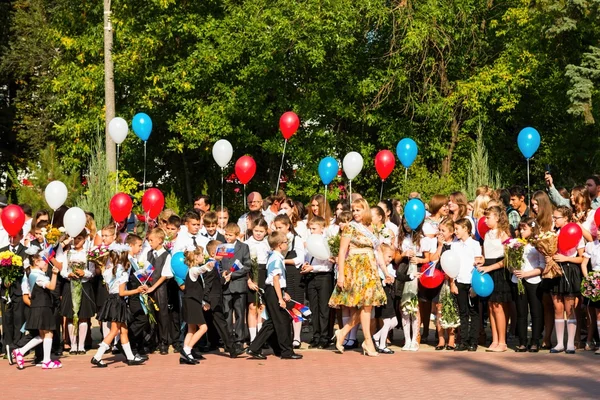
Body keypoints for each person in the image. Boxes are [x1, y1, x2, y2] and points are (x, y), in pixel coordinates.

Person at [329, 198, 392, 357]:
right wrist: (341, 275)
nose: (355, 213)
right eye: (354, 210)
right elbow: (342, 252)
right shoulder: (350, 227)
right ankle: (367, 340)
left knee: (368, 305)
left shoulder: (373, 229)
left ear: (365, 210)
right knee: (364, 305)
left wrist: (385, 272)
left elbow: (378, 252)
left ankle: (344, 332)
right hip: (355, 270)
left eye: (358, 210)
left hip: (370, 270)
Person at [246, 231, 302, 360]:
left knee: (272, 322)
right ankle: (286, 351)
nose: (287, 245)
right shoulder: (276, 258)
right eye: (285, 242)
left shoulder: (275, 257)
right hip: (273, 291)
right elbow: (275, 279)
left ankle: (255, 348)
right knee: (282, 321)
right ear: (279, 245)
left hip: (274, 291)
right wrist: (280, 298)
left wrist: (283, 292)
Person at [91, 248, 146, 367]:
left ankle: (131, 357)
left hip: (111, 300)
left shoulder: (108, 271)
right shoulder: (123, 273)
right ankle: (97, 356)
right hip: (118, 301)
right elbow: (122, 292)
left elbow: (109, 288)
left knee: (124, 330)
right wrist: (137, 290)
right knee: (114, 330)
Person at [11, 253, 61, 370]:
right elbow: (52, 286)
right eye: (43, 260)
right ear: (36, 262)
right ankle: (47, 361)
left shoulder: (29, 275)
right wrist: (54, 274)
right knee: (48, 333)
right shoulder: (38, 276)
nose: (45, 262)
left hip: (37, 306)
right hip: (43, 306)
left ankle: (20, 351)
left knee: (43, 335)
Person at [550, 206, 584, 354]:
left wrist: (566, 258)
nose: (554, 220)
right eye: (554, 217)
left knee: (570, 308)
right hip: (556, 270)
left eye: (557, 217)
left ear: (565, 218)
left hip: (570, 269)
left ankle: (570, 343)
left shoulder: (576, 232)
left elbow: (581, 257)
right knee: (558, 307)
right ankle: (559, 343)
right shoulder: (553, 234)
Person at [477, 206, 511, 352]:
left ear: (497, 218)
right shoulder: (487, 235)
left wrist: (489, 268)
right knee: (490, 307)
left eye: (488, 217)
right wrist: (481, 260)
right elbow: (487, 254)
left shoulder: (503, 234)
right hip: (487, 269)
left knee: (498, 307)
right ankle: (495, 339)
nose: (485, 220)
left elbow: (507, 259)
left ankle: (502, 341)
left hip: (498, 271)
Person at [202, 240, 243, 358]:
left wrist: (224, 279)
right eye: (223, 250)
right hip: (212, 301)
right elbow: (208, 285)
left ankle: (229, 348)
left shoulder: (215, 265)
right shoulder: (210, 266)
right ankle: (232, 349)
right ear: (215, 252)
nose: (226, 253)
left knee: (216, 324)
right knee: (221, 324)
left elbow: (215, 282)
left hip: (214, 299)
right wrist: (206, 300)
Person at [58, 229, 95, 355]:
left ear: (84, 239)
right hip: (70, 285)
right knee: (70, 316)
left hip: (84, 285)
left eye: (79, 238)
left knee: (83, 316)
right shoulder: (67, 253)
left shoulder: (88, 254)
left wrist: (84, 273)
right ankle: (73, 345)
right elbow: (62, 270)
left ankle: (81, 345)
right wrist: (68, 274)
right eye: (75, 238)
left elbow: (92, 271)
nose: (77, 241)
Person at [512, 218, 545, 352]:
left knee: (536, 311)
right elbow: (510, 261)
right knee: (521, 312)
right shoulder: (515, 243)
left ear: (532, 229)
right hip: (518, 279)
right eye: (520, 228)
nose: (521, 231)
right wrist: (513, 268)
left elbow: (542, 265)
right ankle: (522, 341)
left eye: (524, 229)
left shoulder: (537, 244)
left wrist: (527, 274)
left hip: (533, 280)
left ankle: (535, 340)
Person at [273, 214, 306, 348]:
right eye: (276, 227)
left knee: (296, 304)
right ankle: (285, 335)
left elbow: (299, 259)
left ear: (287, 226)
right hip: (281, 275)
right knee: (284, 305)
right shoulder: (275, 240)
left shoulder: (296, 239)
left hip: (293, 274)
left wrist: (283, 260)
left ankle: (297, 336)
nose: (278, 229)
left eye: (280, 227)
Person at [301, 216, 333, 349]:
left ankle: (325, 337)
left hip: (324, 277)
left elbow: (328, 265)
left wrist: (313, 267)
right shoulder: (309, 242)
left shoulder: (327, 242)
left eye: (314, 228)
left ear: (322, 228)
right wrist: (306, 264)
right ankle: (316, 336)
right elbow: (306, 256)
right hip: (311, 277)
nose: (311, 231)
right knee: (313, 307)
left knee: (323, 308)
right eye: (310, 229)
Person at [451, 218, 482, 351]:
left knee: (474, 311)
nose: (455, 231)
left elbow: (478, 264)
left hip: (471, 281)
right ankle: (463, 340)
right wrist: (452, 282)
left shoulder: (475, 245)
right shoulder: (454, 245)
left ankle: (473, 340)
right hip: (459, 280)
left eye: (457, 229)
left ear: (466, 229)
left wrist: (475, 285)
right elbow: (451, 264)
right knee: (463, 312)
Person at [179, 246, 214, 364]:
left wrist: (203, 302)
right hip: (191, 302)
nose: (203, 257)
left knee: (191, 329)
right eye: (201, 255)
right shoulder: (193, 269)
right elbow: (200, 270)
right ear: (196, 257)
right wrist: (207, 266)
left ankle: (185, 355)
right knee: (203, 327)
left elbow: (195, 290)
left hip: (192, 301)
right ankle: (187, 350)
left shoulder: (193, 270)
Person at [219, 222, 251, 350]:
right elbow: (219, 265)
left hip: (238, 285)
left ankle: (239, 339)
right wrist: (223, 273)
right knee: (227, 313)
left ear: (237, 235)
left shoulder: (243, 247)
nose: (227, 237)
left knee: (239, 313)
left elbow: (246, 265)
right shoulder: (222, 247)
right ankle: (228, 339)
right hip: (226, 286)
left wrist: (232, 275)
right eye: (226, 234)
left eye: (230, 235)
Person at [144, 228, 174, 355]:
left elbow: (164, 275)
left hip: (160, 289)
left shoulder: (166, 255)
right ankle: (152, 342)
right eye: (149, 240)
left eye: (152, 240)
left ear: (160, 240)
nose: (150, 243)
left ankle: (164, 342)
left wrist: (153, 287)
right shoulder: (149, 254)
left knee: (162, 315)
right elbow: (146, 270)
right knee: (151, 316)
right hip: (149, 287)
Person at [429, 218, 457, 350]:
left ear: (452, 232)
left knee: (451, 309)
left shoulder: (456, 245)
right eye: (439, 230)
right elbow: (433, 259)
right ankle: (441, 339)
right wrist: (440, 246)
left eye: (443, 230)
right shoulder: (438, 244)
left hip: (451, 280)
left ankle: (451, 338)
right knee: (439, 309)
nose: (440, 233)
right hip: (439, 279)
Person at [0, 230, 28, 358]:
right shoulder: (2, 251)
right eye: (10, 236)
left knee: (19, 318)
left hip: (19, 290)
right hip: (5, 291)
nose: (12, 239)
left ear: (21, 237)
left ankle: (19, 346)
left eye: (15, 236)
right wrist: (3, 280)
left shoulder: (26, 251)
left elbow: (28, 271)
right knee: (6, 318)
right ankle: (7, 346)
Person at [244, 219, 269, 342]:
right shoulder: (247, 243)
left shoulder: (268, 243)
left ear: (266, 231)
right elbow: (244, 264)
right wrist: (249, 280)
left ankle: (261, 338)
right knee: (252, 307)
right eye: (256, 231)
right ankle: (253, 338)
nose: (258, 233)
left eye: (261, 231)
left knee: (262, 307)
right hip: (251, 274)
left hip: (264, 274)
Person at [372, 243, 398, 354]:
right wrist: (384, 282)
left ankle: (376, 336)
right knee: (387, 321)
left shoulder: (390, 268)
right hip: (381, 297)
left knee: (395, 322)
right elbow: (375, 282)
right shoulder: (376, 268)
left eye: (392, 257)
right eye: (389, 257)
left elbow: (396, 276)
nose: (390, 259)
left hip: (389, 297)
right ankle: (382, 345)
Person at [581, 233, 600, 355]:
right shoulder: (591, 245)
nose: (598, 232)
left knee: (599, 314)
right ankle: (590, 341)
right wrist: (589, 279)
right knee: (592, 313)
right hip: (594, 280)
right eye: (598, 229)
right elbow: (584, 264)